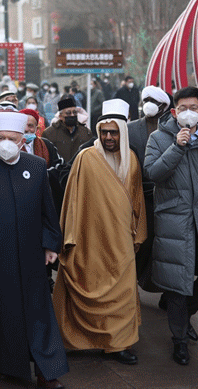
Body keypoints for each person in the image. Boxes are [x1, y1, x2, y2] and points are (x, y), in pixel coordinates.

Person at [0, 112, 68, 388]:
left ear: (23, 140)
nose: (6, 143)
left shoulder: (36, 165)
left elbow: (48, 210)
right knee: (3, 313)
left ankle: (48, 370)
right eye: (1, 139)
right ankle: (8, 364)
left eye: (12, 139)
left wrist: (50, 243)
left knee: (39, 311)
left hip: (32, 254)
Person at [53, 99, 146, 366]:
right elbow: (71, 201)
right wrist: (69, 238)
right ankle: (76, 340)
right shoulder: (85, 157)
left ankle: (118, 345)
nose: (107, 137)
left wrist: (138, 234)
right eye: (104, 132)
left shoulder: (132, 162)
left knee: (123, 292)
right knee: (84, 286)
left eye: (113, 132)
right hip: (88, 238)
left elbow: (137, 201)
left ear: (123, 132)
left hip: (121, 241)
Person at [144, 86, 198, 366]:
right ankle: (179, 340)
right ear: (173, 112)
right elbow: (154, 174)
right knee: (178, 285)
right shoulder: (158, 139)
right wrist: (176, 147)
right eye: (182, 108)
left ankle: (184, 317)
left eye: (193, 108)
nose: (188, 113)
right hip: (174, 221)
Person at [129, 86, 171, 293]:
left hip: (167, 194)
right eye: (146, 99)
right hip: (139, 196)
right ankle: (134, 281)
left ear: (164, 106)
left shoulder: (173, 129)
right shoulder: (130, 129)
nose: (149, 105)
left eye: (154, 101)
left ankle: (157, 284)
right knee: (141, 242)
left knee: (164, 245)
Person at [41, 96, 92, 164]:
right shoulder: (49, 134)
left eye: (74, 112)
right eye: (68, 113)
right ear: (60, 116)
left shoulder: (86, 132)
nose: (72, 115)